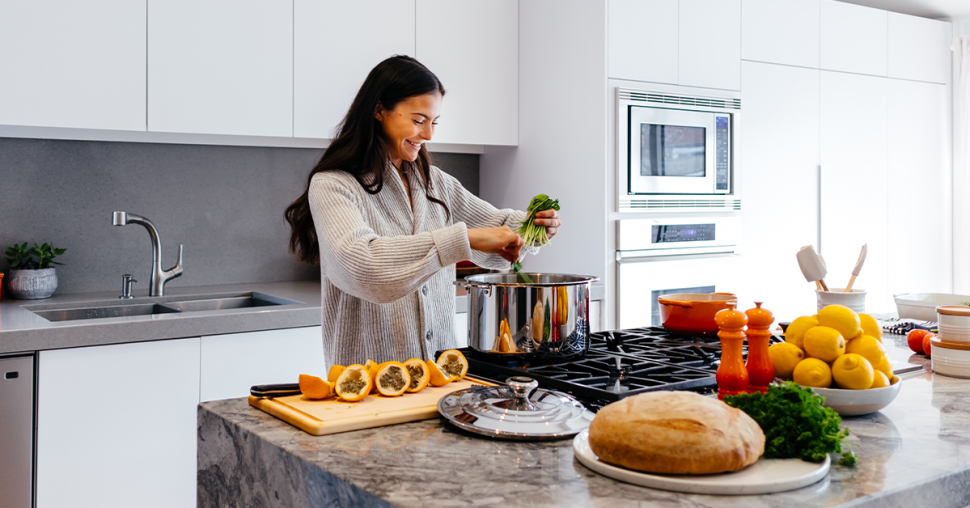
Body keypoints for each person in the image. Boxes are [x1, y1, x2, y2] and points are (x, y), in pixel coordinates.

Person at [285, 55, 561, 367]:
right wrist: (462, 240)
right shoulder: (334, 185)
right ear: (379, 110)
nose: (429, 135)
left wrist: (531, 227)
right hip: (369, 383)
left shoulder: (435, 183)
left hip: (443, 375)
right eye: (418, 120)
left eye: (434, 122)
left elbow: (495, 228)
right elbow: (362, 266)